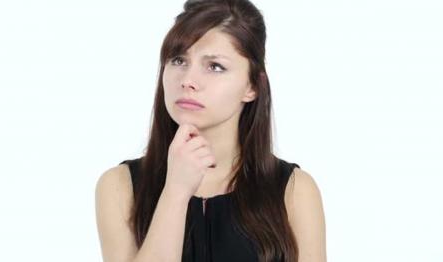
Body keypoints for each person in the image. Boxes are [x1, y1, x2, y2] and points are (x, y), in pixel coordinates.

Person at [95, 0, 326, 261]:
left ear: (252, 86)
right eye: (179, 60)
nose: (188, 81)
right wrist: (176, 191)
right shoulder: (120, 187)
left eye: (215, 66)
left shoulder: (294, 191)